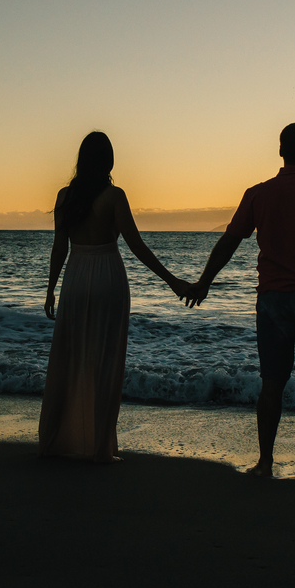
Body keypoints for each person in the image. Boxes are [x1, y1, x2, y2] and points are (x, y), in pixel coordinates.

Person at [185, 123, 295, 480]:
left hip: (272, 299)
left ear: (280, 151)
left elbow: (229, 240)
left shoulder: (259, 194)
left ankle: (265, 462)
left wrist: (204, 281)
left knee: (272, 383)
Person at [40, 131, 191, 462]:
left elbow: (59, 247)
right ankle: (99, 447)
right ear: (108, 161)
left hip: (76, 278)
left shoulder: (65, 196)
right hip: (108, 277)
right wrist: (172, 281)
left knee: (70, 358)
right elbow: (137, 246)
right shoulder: (114, 196)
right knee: (106, 362)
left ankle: (56, 439)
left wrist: (51, 288)